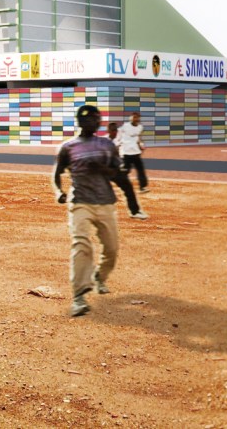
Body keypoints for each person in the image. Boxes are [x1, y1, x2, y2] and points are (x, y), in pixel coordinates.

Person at [52, 104, 127, 317]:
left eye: (97, 118)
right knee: (82, 245)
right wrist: (59, 191)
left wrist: (103, 169)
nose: (95, 122)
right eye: (90, 119)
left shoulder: (107, 145)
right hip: (80, 203)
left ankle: (99, 277)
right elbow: (57, 174)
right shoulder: (68, 147)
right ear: (80, 121)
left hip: (105, 203)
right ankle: (79, 296)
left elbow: (117, 172)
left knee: (111, 249)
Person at [115, 113, 148, 193]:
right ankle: (120, 184)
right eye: (133, 117)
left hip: (136, 152)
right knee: (125, 171)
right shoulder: (125, 126)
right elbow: (118, 135)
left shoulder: (140, 127)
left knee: (141, 170)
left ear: (139, 119)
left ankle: (142, 187)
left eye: (137, 117)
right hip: (126, 153)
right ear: (130, 118)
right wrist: (117, 144)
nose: (135, 119)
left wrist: (141, 145)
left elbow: (139, 137)